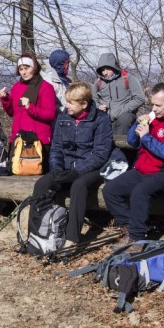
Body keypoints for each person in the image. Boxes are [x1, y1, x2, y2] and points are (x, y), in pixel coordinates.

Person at [101, 83, 164, 244]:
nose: (154, 108)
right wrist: (139, 124)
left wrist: (147, 137)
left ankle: (136, 238)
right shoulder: (153, 117)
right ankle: (128, 227)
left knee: (140, 192)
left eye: (158, 105)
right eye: (152, 104)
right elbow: (131, 141)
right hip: (141, 168)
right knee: (110, 190)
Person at [32, 81, 113, 247]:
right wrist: (56, 169)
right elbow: (56, 148)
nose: (66, 105)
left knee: (78, 185)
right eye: (66, 101)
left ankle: (72, 237)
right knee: (42, 184)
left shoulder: (101, 119)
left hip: (91, 168)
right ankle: (36, 233)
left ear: (84, 104)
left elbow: (100, 154)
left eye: (70, 102)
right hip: (66, 166)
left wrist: (77, 172)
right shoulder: (63, 118)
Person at [0, 53, 57, 163]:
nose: (24, 72)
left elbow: (50, 115)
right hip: (18, 140)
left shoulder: (46, 87)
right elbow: (12, 113)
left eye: (27, 68)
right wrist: (5, 99)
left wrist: (30, 107)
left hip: (38, 141)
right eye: (21, 69)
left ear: (34, 68)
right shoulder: (16, 87)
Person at [90, 53, 145, 136]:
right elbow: (93, 99)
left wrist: (123, 109)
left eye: (107, 69)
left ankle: (124, 147)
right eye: (102, 70)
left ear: (114, 67)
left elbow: (140, 98)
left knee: (125, 119)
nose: (104, 73)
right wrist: (99, 106)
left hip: (125, 116)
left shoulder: (128, 78)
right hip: (106, 118)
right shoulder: (98, 82)